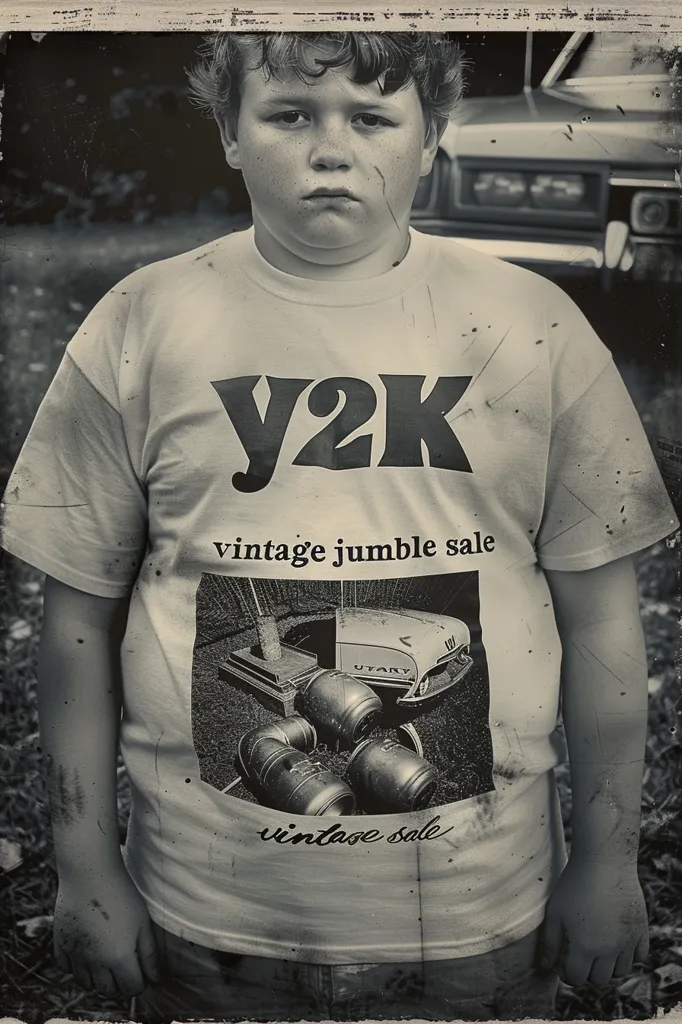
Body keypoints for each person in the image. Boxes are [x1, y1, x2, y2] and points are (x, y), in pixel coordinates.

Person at [1, 30, 678, 1023]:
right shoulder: (140, 323)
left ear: (434, 135)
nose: (330, 147)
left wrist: (607, 861)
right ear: (229, 132)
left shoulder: (529, 326)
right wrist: (85, 862)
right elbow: (75, 622)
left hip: (476, 923)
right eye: (288, 114)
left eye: (371, 116)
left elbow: (603, 620)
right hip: (207, 919)